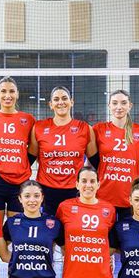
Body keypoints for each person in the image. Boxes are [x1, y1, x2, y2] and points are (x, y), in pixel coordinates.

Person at [55, 165, 116, 278]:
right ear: (77, 184)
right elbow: (59, 236)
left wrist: (104, 256)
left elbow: (113, 241)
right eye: (84, 181)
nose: (88, 185)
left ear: (98, 184)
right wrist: (71, 251)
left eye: (92, 181)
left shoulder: (109, 209)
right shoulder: (65, 207)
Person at [30, 86, 96, 216]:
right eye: (56, 99)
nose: (61, 102)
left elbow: (95, 162)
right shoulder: (39, 127)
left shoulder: (84, 128)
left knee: (72, 228)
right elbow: (29, 159)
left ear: (72, 102)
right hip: (46, 191)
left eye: (64, 98)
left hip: (74, 190)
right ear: (51, 104)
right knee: (49, 228)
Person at [0, 77, 35, 216]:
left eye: (12, 91)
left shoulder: (28, 120)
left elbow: (34, 149)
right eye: (3, 91)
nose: (7, 95)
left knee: (16, 227)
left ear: (17, 94)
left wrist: (23, 164)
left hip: (20, 181)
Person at [93, 89, 139, 221]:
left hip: (130, 197)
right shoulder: (99, 129)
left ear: (130, 105)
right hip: (103, 194)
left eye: (123, 103)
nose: (119, 107)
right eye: (114, 103)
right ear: (109, 106)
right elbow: (90, 163)